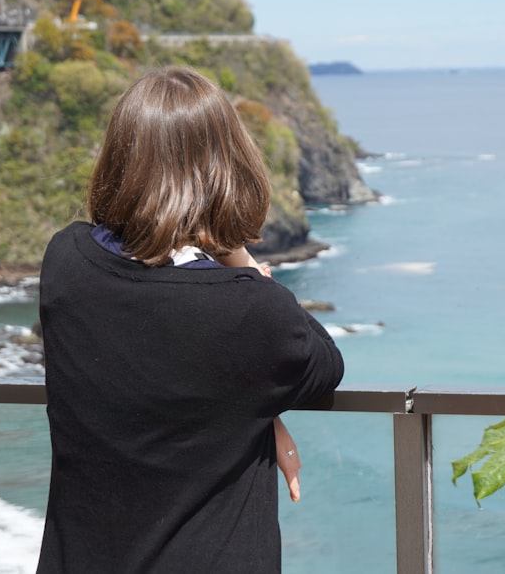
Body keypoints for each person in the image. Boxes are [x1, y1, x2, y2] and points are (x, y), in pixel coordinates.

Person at [36, 66, 345, 573]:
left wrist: (260, 409)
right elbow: (322, 366)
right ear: (228, 167)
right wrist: (243, 264)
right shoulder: (251, 309)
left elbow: (153, 354)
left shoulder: (65, 260)